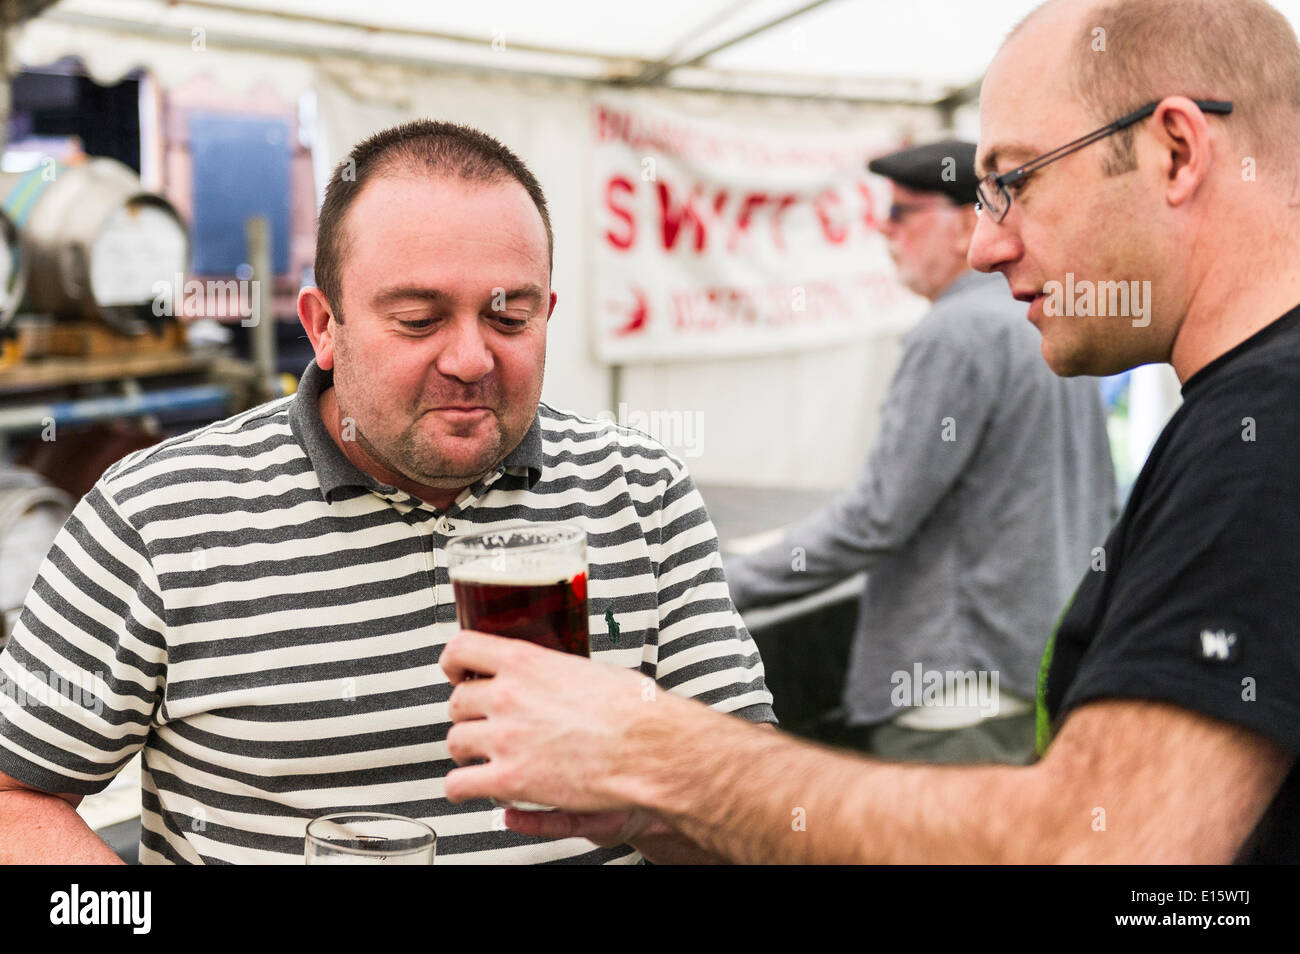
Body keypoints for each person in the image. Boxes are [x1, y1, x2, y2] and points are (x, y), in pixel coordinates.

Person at [440, 0, 1300, 863]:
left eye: (1015, 181)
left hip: (953, 695)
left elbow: (1096, 849)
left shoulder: (1258, 434)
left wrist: (648, 745)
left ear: (1177, 151)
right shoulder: (1221, 410)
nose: (985, 245)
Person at [0, 120, 775, 864]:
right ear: (323, 326)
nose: (471, 358)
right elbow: (14, 796)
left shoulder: (640, 493)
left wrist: (649, 803)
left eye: (510, 316)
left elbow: (761, 813)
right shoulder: (160, 513)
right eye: (417, 319)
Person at [725, 139, 1116, 764]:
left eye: (905, 212)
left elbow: (877, 517)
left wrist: (726, 583)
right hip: (1032, 675)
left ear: (969, 220)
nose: (885, 228)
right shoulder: (1041, 319)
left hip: (952, 698)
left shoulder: (955, 334)